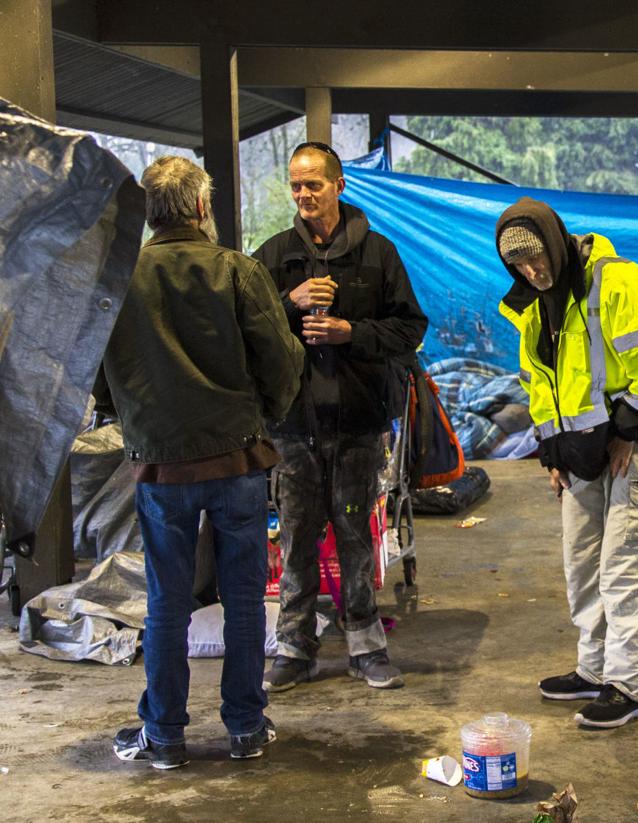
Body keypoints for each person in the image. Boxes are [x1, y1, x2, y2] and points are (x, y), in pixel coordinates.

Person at [97, 156, 304, 769]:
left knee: (166, 603)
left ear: (151, 212)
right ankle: (245, 729)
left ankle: (163, 737)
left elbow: (101, 373)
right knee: (243, 600)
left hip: (160, 468)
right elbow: (281, 359)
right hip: (237, 461)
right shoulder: (236, 271)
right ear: (201, 208)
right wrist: (263, 419)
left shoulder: (122, 276)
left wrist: (130, 417)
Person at [494, 197, 638, 728]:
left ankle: (630, 686)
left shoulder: (615, 280)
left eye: (537, 259)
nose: (532, 273)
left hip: (634, 453)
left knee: (626, 571)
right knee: (583, 567)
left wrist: (631, 430)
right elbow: (542, 386)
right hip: (580, 459)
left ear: (556, 244)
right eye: (519, 266)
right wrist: (551, 454)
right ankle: (595, 669)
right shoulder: (534, 307)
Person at [254, 141, 428, 692]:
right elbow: (247, 332)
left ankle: (365, 646)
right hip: (293, 428)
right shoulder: (273, 256)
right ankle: (294, 648)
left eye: (314, 184)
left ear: (339, 186)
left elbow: (409, 330)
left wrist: (351, 332)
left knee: (356, 534)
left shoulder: (379, 255)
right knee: (298, 538)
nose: (304, 194)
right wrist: (289, 302)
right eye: (296, 185)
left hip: (358, 424)